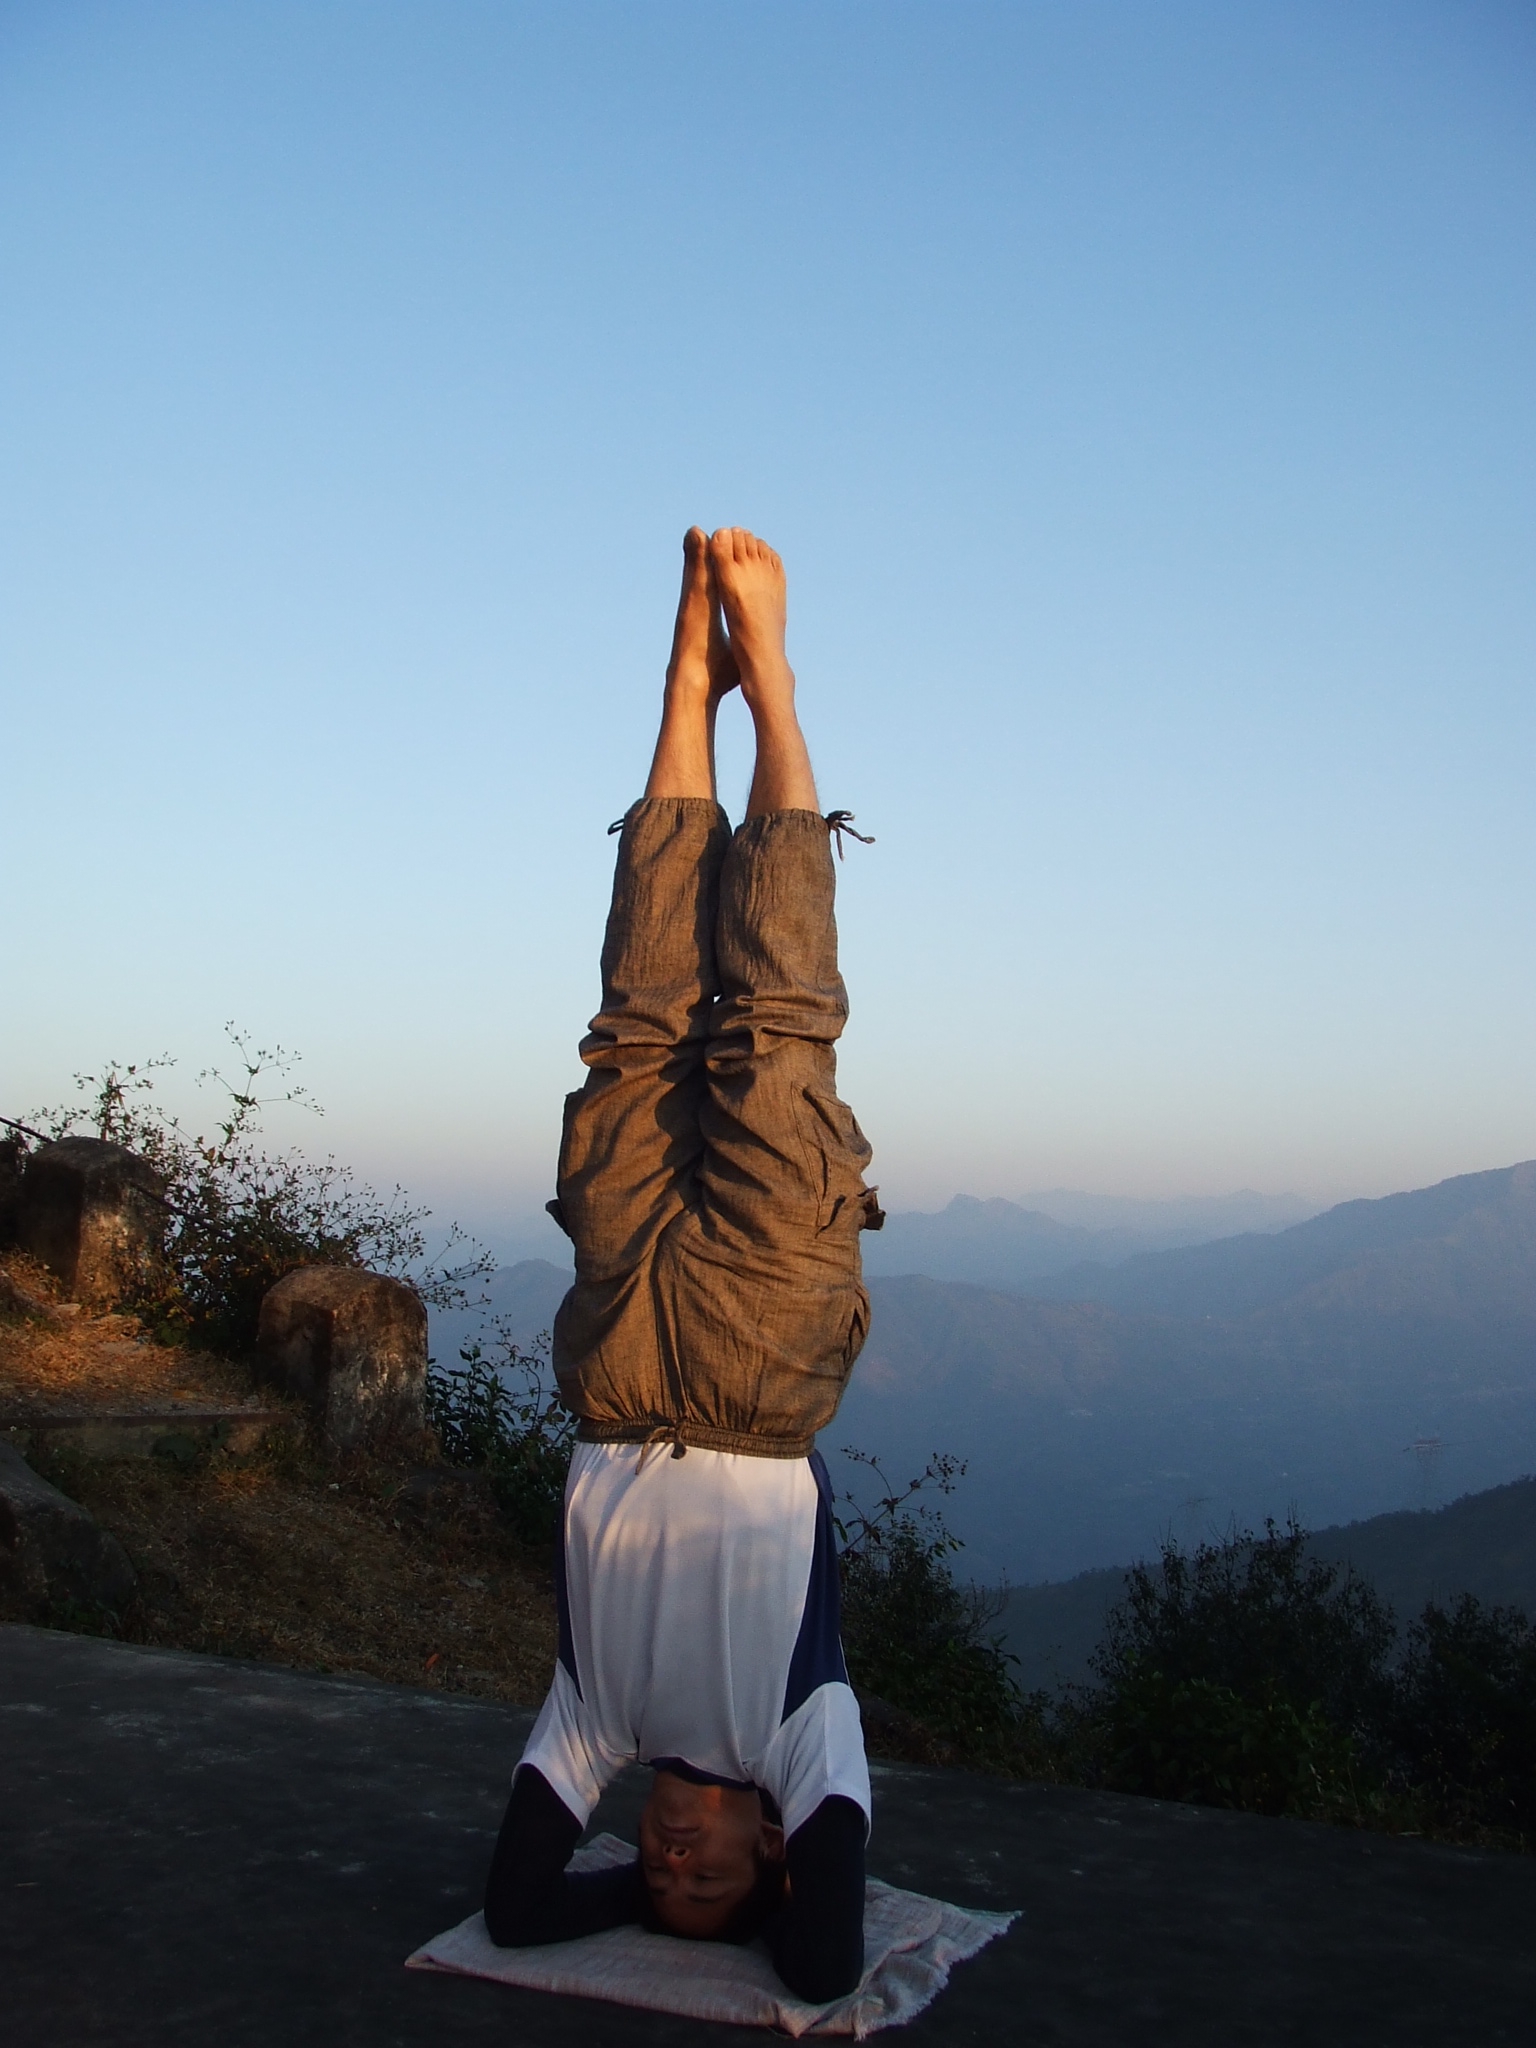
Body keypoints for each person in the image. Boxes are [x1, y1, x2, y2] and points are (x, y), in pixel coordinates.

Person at [482, 526, 883, 2001]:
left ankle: (678, 691)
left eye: (656, 1875)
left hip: (616, 1361)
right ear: (776, 1848)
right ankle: (771, 685)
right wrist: (759, 1915)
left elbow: (522, 1909)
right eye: (702, 1873)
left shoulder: (595, 1727)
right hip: (759, 1370)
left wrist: (645, 1922)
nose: (664, 1861)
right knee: (777, 1024)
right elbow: (828, 1965)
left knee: (637, 1025)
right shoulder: (804, 1738)